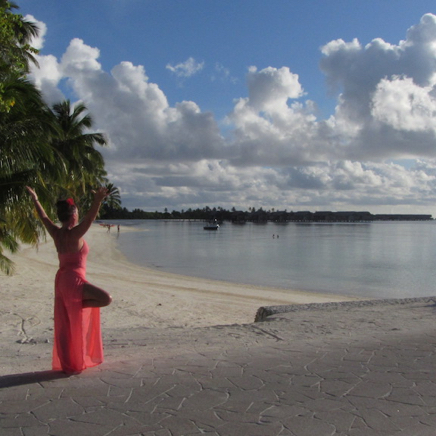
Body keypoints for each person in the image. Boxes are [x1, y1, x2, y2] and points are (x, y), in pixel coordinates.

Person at [26, 186, 112, 375]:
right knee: (106, 299)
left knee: (65, 321)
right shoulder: (74, 234)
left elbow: (43, 217)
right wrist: (97, 200)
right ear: (73, 216)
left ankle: (67, 364)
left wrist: (35, 198)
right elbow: (90, 219)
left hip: (62, 281)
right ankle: (80, 307)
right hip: (74, 280)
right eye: (77, 213)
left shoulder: (56, 233)